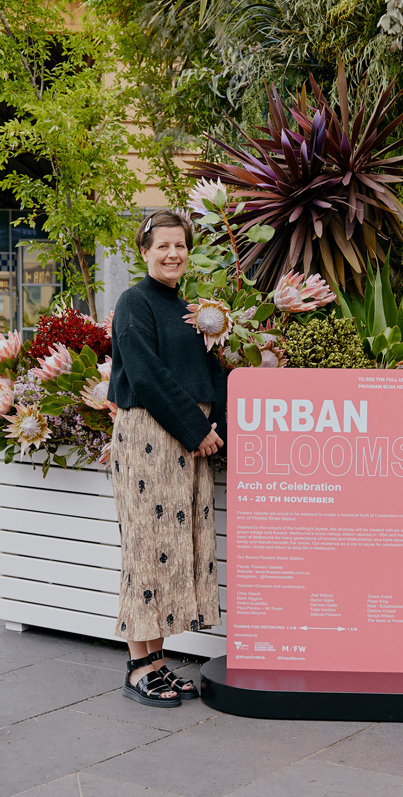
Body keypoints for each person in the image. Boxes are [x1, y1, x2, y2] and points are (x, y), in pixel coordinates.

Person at [107, 209, 227, 707]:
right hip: (150, 440)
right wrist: (198, 430)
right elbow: (146, 374)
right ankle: (138, 667)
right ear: (144, 251)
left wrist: (216, 429)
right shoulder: (134, 302)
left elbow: (212, 371)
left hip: (185, 442)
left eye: (180, 245)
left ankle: (156, 663)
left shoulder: (188, 308)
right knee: (146, 548)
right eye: (163, 246)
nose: (173, 253)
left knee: (169, 551)